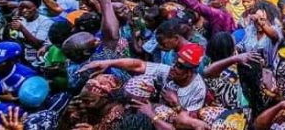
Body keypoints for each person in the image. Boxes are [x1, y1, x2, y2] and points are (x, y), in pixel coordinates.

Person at [78, 43, 207, 114]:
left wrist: (176, 104)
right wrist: (109, 62)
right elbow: (138, 65)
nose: (173, 67)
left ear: (189, 72)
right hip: (153, 105)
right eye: (174, 61)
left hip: (170, 120)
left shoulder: (197, 89)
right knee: (138, 83)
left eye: (179, 66)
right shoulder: (169, 71)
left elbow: (193, 122)